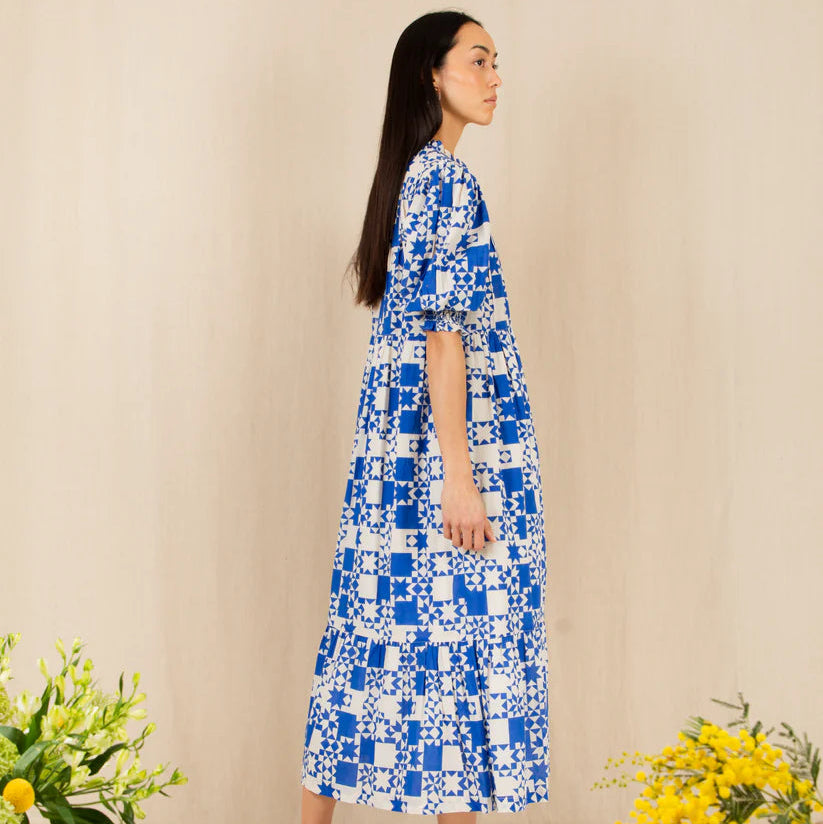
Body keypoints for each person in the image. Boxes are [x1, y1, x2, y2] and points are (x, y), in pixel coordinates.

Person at [300, 10, 550, 823]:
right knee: (461, 653)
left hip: (395, 452)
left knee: (380, 641)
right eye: (478, 60)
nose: (494, 77)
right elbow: (444, 340)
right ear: (429, 74)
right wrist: (460, 476)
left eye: (495, 62)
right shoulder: (442, 180)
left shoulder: (414, 177)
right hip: (442, 451)